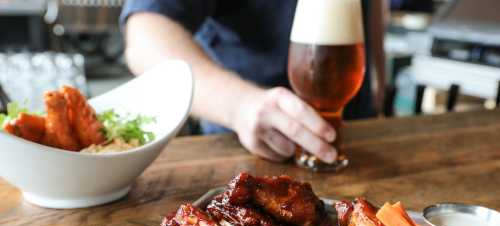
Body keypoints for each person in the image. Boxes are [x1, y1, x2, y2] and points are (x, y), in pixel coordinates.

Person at [121, 0, 386, 163]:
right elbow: (145, 41)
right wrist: (242, 106)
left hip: (362, 141)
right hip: (251, 153)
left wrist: (377, 85)